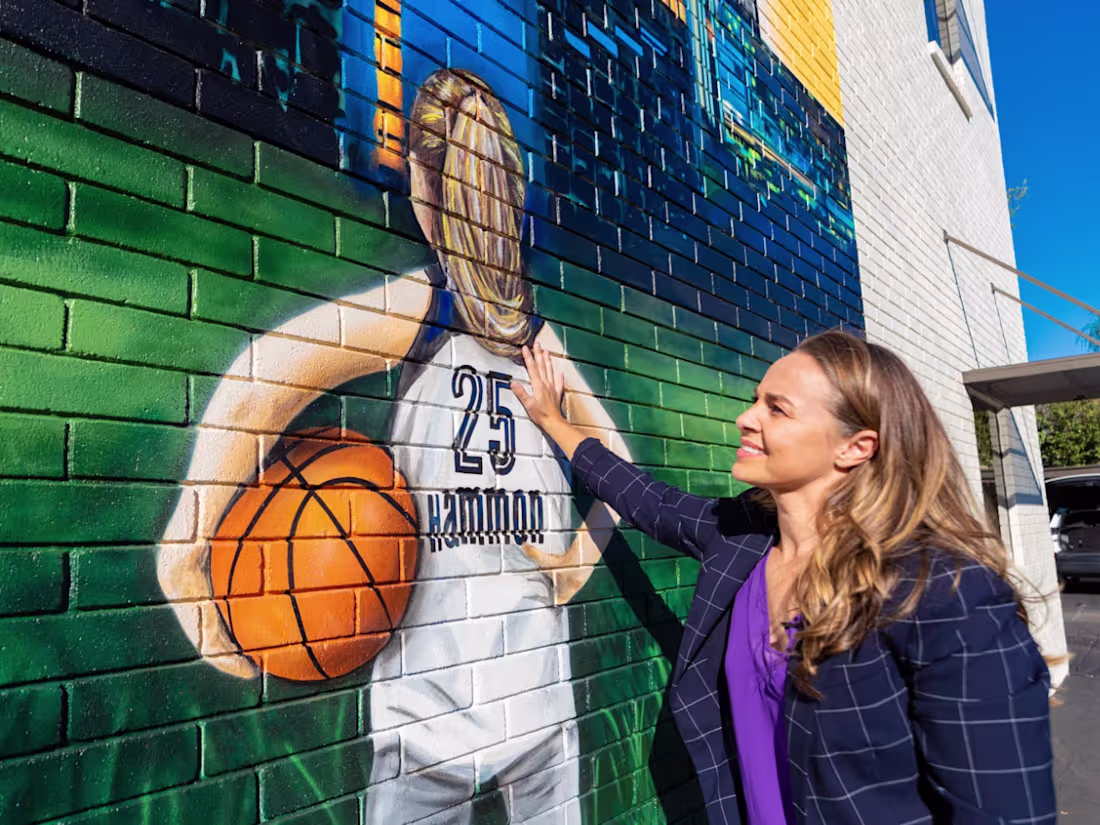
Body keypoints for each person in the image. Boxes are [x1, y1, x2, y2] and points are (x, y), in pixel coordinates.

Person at [157, 69, 630, 823]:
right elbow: (619, 467)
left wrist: (184, 551)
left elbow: (259, 380)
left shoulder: (426, 310)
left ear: (424, 188)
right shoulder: (536, 338)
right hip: (535, 699)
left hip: (428, 716)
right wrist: (574, 559)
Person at [511, 331, 1057, 825]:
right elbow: (646, 500)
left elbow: (1005, 814)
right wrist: (555, 421)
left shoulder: (942, 591)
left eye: (778, 409)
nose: (747, 419)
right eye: (755, 401)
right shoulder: (741, 540)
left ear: (855, 447)